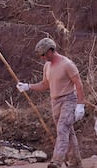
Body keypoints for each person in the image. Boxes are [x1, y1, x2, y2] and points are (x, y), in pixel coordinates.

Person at [16, 38, 85, 168]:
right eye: (40, 55)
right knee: (67, 132)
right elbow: (45, 84)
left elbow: (78, 84)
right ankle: (76, 163)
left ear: (51, 50)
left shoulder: (67, 64)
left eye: (43, 54)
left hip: (69, 99)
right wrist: (28, 86)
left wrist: (81, 105)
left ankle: (56, 162)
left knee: (62, 129)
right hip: (55, 101)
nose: (42, 57)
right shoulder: (47, 66)